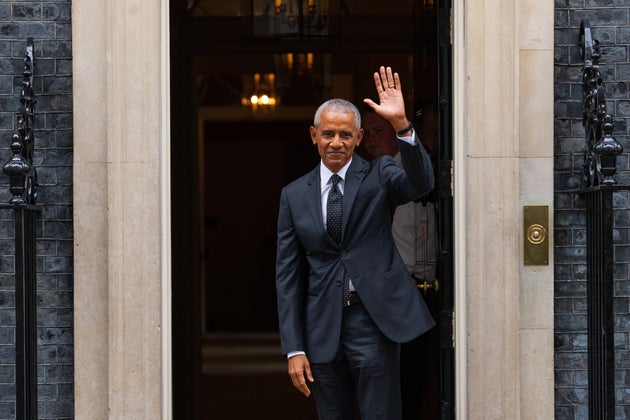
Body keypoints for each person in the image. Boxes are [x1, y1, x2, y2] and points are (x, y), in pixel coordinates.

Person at [275, 66, 435, 419]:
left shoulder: (380, 173)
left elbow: (420, 184)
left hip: (373, 321)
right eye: (328, 133)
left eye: (345, 135)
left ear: (359, 138)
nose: (336, 142)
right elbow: (287, 277)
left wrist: (402, 126)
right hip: (321, 327)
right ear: (313, 135)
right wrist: (293, 348)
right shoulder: (293, 195)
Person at [359, 109, 438, 419]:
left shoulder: (419, 168)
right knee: (391, 375)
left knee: (418, 374)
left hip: (427, 285)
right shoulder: (367, 176)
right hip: (392, 287)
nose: (371, 141)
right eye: (367, 134)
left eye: (379, 131)